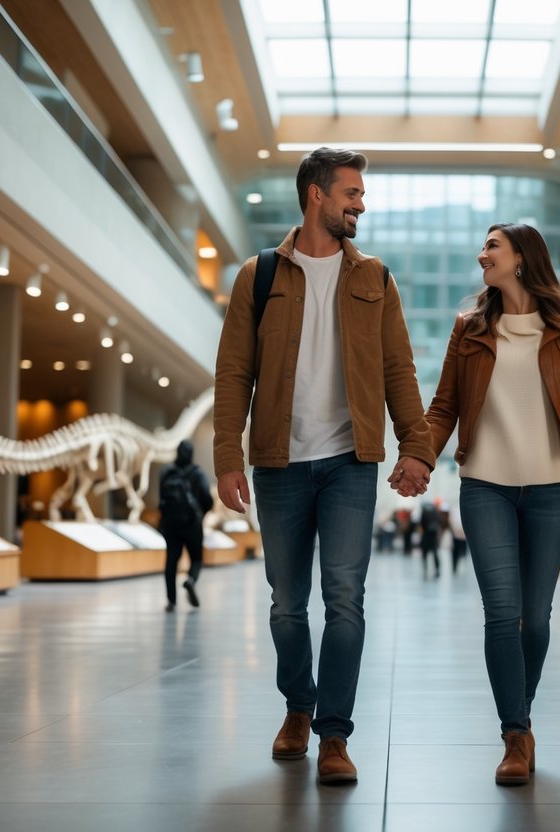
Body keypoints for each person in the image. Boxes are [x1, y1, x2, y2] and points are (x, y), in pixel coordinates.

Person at [213, 146, 434, 786]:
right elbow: (234, 373)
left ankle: (334, 733)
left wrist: (416, 447)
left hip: (348, 464)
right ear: (317, 195)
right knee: (287, 604)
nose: (360, 204)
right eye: (351, 193)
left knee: (345, 600)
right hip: (279, 464)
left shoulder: (375, 279)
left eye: (360, 195)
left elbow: (399, 369)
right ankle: (297, 707)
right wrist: (229, 454)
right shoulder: (258, 276)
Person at [424, 222, 560, 786]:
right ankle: (515, 733)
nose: (481, 254)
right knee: (501, 614)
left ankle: (522, 715)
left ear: (521, 259)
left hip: (552, 488)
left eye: (492, 246)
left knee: (536, 621)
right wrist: (418, 458)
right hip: (485, 484)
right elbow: (444, 408)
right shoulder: (469, 330)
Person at [157, 439, 212, 612]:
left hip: (171, 525)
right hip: (192, 525)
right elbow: (207, 500)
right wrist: (199, 514)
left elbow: (162, 499)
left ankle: (171, 601)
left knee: (171, 561)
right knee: (196, 558)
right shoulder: (197, 473)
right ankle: (191, 580)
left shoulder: (167, 472)